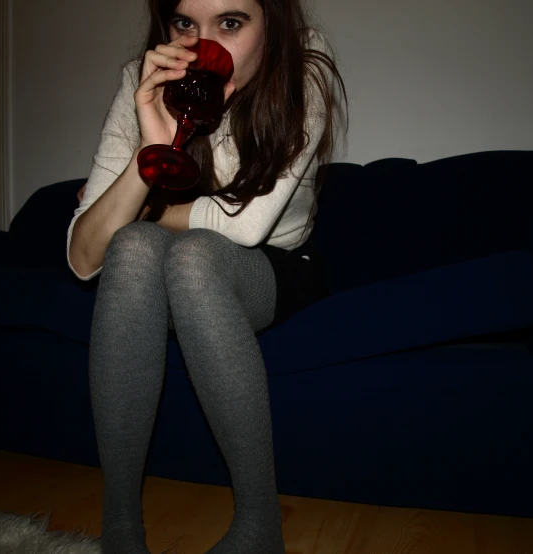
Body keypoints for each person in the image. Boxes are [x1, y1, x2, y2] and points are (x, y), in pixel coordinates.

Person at [67, 0, 347, 552]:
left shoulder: (304, 64)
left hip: (276, 265)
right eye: (184, 24)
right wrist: (151, 146)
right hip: (168, 257)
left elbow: (242, 228)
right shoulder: (144, 80)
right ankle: (120, 526)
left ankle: (260, 525)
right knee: (134, 248)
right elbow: (83, 257)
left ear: (272, 21)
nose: (203, 45)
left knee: (191, 254)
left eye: (231, 23)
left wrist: (141, 205)